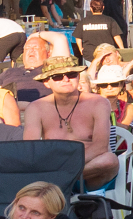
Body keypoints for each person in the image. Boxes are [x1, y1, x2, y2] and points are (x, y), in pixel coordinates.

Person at [18, 56, 118, 188]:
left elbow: (101, 147)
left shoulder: (98, 102)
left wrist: (64, 168)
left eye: (71, 74)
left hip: (90, 171)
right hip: (54, 167)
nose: (66, 79)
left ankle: (83, 194)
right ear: (47, 82)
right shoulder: (36, 108)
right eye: (58, 77)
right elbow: (31, 149)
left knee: (109, 161)